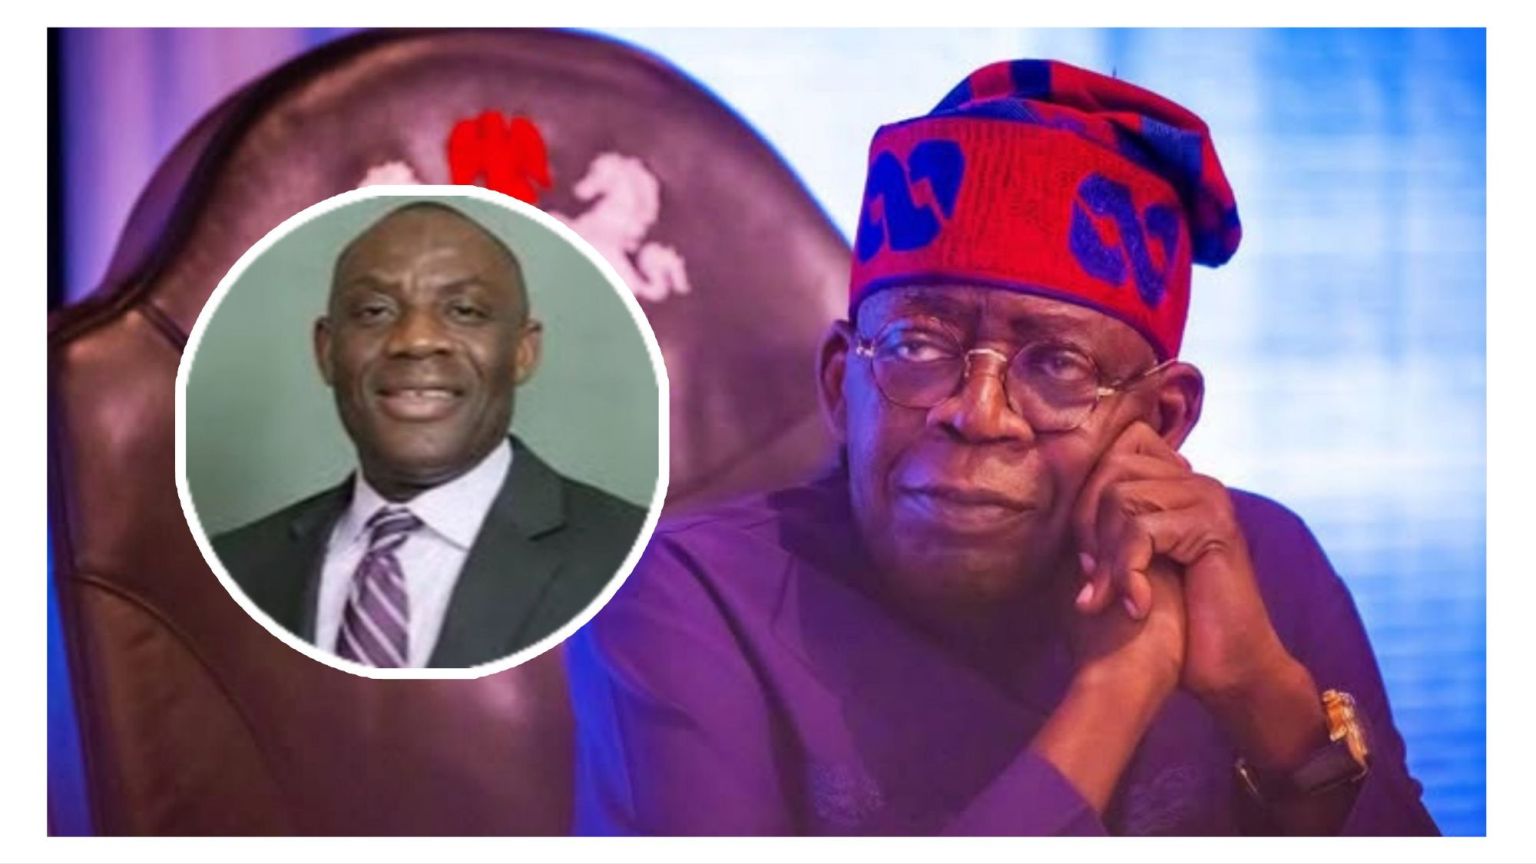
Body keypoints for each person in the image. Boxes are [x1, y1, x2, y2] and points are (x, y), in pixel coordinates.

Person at [567, 60, 1439, 834]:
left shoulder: (1255, 565)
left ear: (1164, 420)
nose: (978, 413)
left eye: (1056, 365)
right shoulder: (686, 597)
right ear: (842, 382)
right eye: (917, 346)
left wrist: (1260, 689)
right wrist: (1116, 691)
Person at [215, 201, 646, 669]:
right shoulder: (229, 568)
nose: (416, 340)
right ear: (326, 350)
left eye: (464, 310)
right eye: (374, 311)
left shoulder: (641, 562)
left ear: (522, 352)